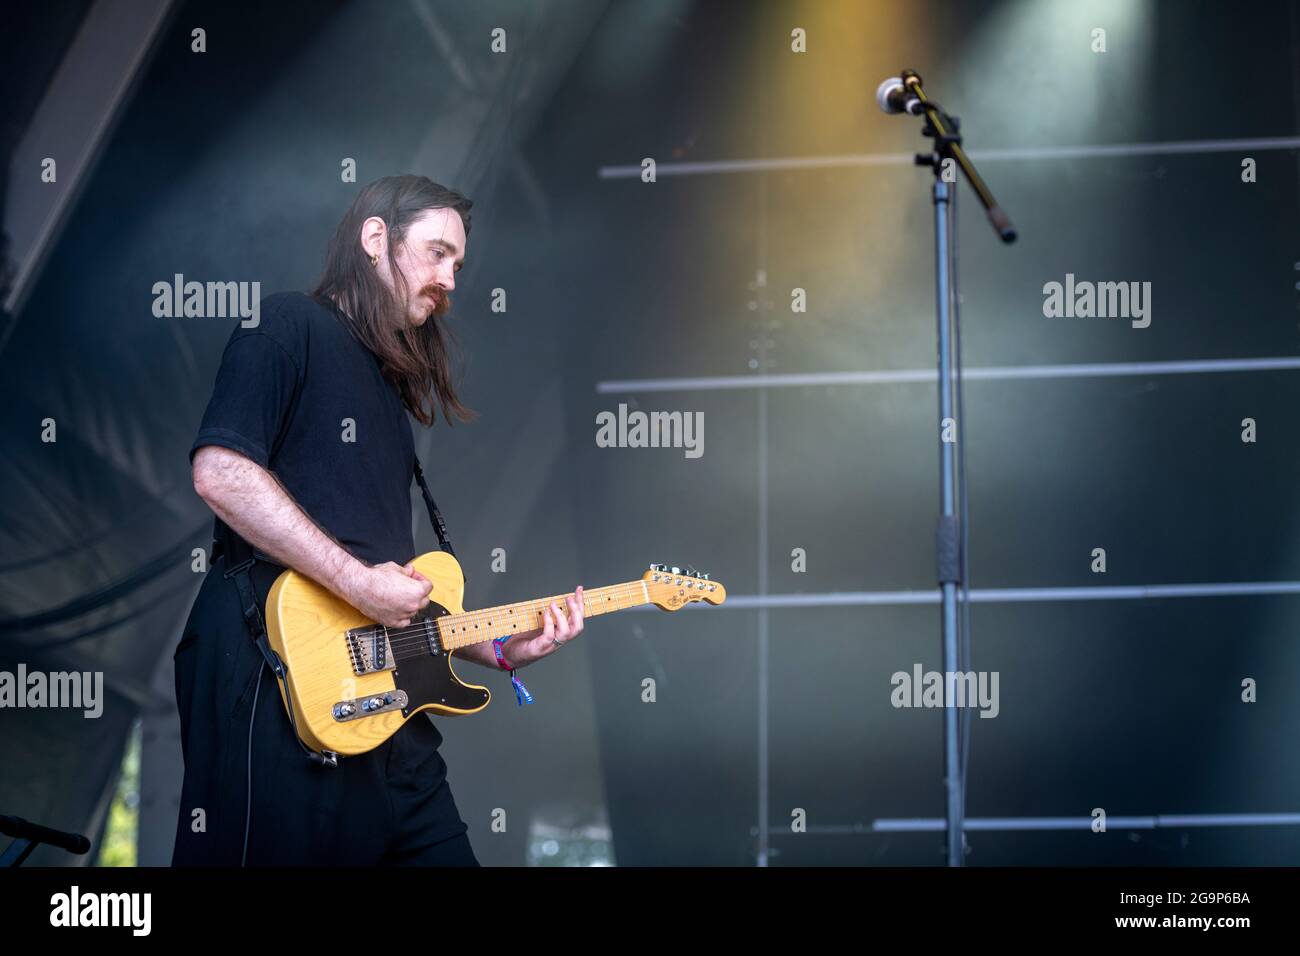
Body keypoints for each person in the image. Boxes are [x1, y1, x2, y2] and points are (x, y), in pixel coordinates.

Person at [171, 174, 585, 866]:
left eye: (458, 261)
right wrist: (357, 584)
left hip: (390, 718)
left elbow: (394, 600)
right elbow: (222, 473)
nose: (450, 278)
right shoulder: (285, 325)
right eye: (438, 252)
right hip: (279, 684)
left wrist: (492, 647)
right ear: (375, 239)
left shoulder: (390, 392)